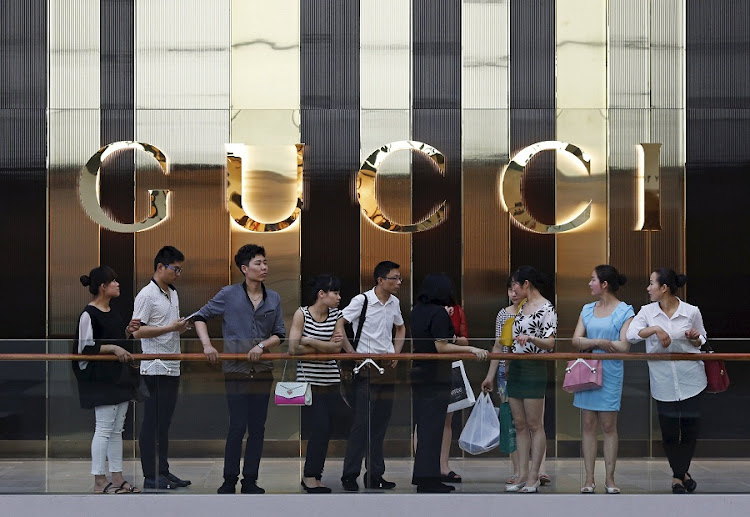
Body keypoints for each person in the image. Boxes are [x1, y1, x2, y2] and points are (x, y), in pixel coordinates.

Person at [193, 244, 286, 495]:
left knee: (258, 428)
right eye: (258, 263)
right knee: (237, 427)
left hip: (263, 370)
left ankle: (250, 480)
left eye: (265, 262)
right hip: (235, 370)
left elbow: (280, 334)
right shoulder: (228, 294)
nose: (264, 267)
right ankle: (229, 479)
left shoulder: (273, 297)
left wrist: (262, 345)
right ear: (245, 269)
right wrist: (207, 345)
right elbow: (200, 317)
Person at [627, 268, 706, 494]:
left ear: (664, 288)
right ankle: (682, 474)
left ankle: (677, 477)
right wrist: (655, 329)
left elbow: (702, 340)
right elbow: (632, 335)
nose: (648, 288)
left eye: (651, 283)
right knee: (670, 432)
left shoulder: (691, 311)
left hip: (692, 379)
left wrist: (694, 338)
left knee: (690, 431)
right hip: (662, 382)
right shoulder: (647, 312)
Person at [411, 274, 488, 493]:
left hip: (420, 373)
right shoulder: (438, 313)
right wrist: (471, 349)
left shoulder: (417, 310)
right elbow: (442, 347)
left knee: (424, 427)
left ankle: (424, 475)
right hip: (436, 375)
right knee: (433, 429)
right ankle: (429, 479)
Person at [338, 260, 406, 491]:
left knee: (380, 424)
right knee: (361, 424)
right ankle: (350, 475)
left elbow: (400, 327)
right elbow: (340, 324)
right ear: (380, 280)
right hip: (365, 368)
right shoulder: (362, 300)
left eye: (399, 278)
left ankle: (375, 474)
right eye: (394, 278)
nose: (398, 282)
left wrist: (397, 353)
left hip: (386, 367)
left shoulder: (395, 302)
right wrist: (351, 353)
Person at [73, 266, 141, 494]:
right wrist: (112, 347)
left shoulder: (112, 310)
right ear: (103, 286)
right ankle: (99, 480)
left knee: (116, 430)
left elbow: (114, 339)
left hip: (117, 377)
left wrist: (127, 333)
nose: (117, 284)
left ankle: (117, 477)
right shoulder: (88, 314)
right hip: (101, 379)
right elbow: (84, 348)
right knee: (103, 429)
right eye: (113, 281)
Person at [131, 246, 191, 490]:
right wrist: (170, 328)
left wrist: (180, 327)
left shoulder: (172, 292)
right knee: (152, 423)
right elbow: (136, 330)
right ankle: (150, 474)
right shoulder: (146, 295)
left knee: (164, 423)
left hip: (171, 365)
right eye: (175, 269)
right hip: (154, 366)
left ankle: (163, 471)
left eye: (180, 269)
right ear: (160, 267)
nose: (178, 273)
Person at [571, 265, 634, 494]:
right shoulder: (587, 309)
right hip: (587, 370)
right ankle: (589, 479)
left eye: (593, 279)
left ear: (604, 284)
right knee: (588, 425)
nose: (589, 284)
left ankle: (609, 478)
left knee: (608, 425)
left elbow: (623, 346)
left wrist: (591, 341)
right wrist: (597, 343)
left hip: (610, 371)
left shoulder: (625, 311)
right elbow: (575, 340)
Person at [288, 274, 346, 494]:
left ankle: (315, 475)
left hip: (331, 381)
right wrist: (325, 346)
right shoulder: (301, 314)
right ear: (322, 294)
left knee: (327, 430)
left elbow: (337, 349)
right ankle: (310, 476)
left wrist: (310, 341)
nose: (339, 297)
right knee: (319, 428)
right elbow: (293, 348)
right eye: (335, 292)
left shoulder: (337, 316)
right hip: (308, 384)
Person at [503, 266, 557, 493]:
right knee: (519, 424)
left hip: (534, 365)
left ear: (526, 284)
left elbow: (551, 342)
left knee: (535, 424)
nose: (513, 289)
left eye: (515, 284)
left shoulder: (546, 307)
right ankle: (522, 473)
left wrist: (531, 337)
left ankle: (535, 475)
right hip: (515, 365)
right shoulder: (521, 307)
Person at [439, 297, 469, 483]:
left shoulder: (457, 310)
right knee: (425, 420)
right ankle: (425, 464)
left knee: (447, 419)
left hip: (450, 366)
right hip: (429, 368)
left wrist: (455, 340)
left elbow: (465, 340)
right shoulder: (426, 310)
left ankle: (443, 465)